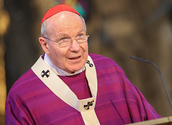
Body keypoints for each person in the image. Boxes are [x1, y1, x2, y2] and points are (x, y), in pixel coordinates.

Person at [5, 4, 161, 125]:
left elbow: (150, 119)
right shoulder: (23, 94)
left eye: (80, 36)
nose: (75, 47)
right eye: (64, 39)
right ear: (45, 45)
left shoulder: (109, 70)